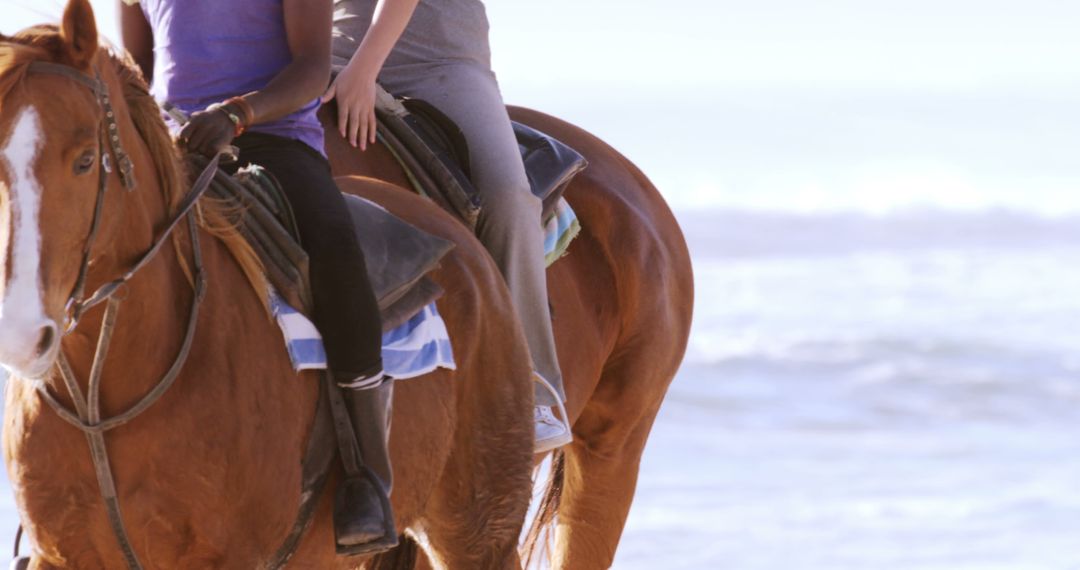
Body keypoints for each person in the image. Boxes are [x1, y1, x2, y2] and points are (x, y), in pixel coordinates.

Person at [120, 0, 398, 552]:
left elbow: (312, 68)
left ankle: (367, 472)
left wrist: (236, 114)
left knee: (335, 244)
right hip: (166, 145)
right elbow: (134, 71)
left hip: (271, 137)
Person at [324, 0, 572, 453]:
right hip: (331, 51)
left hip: (436, 61)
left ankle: (530, 392)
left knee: (509, 199)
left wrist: (363, 72)